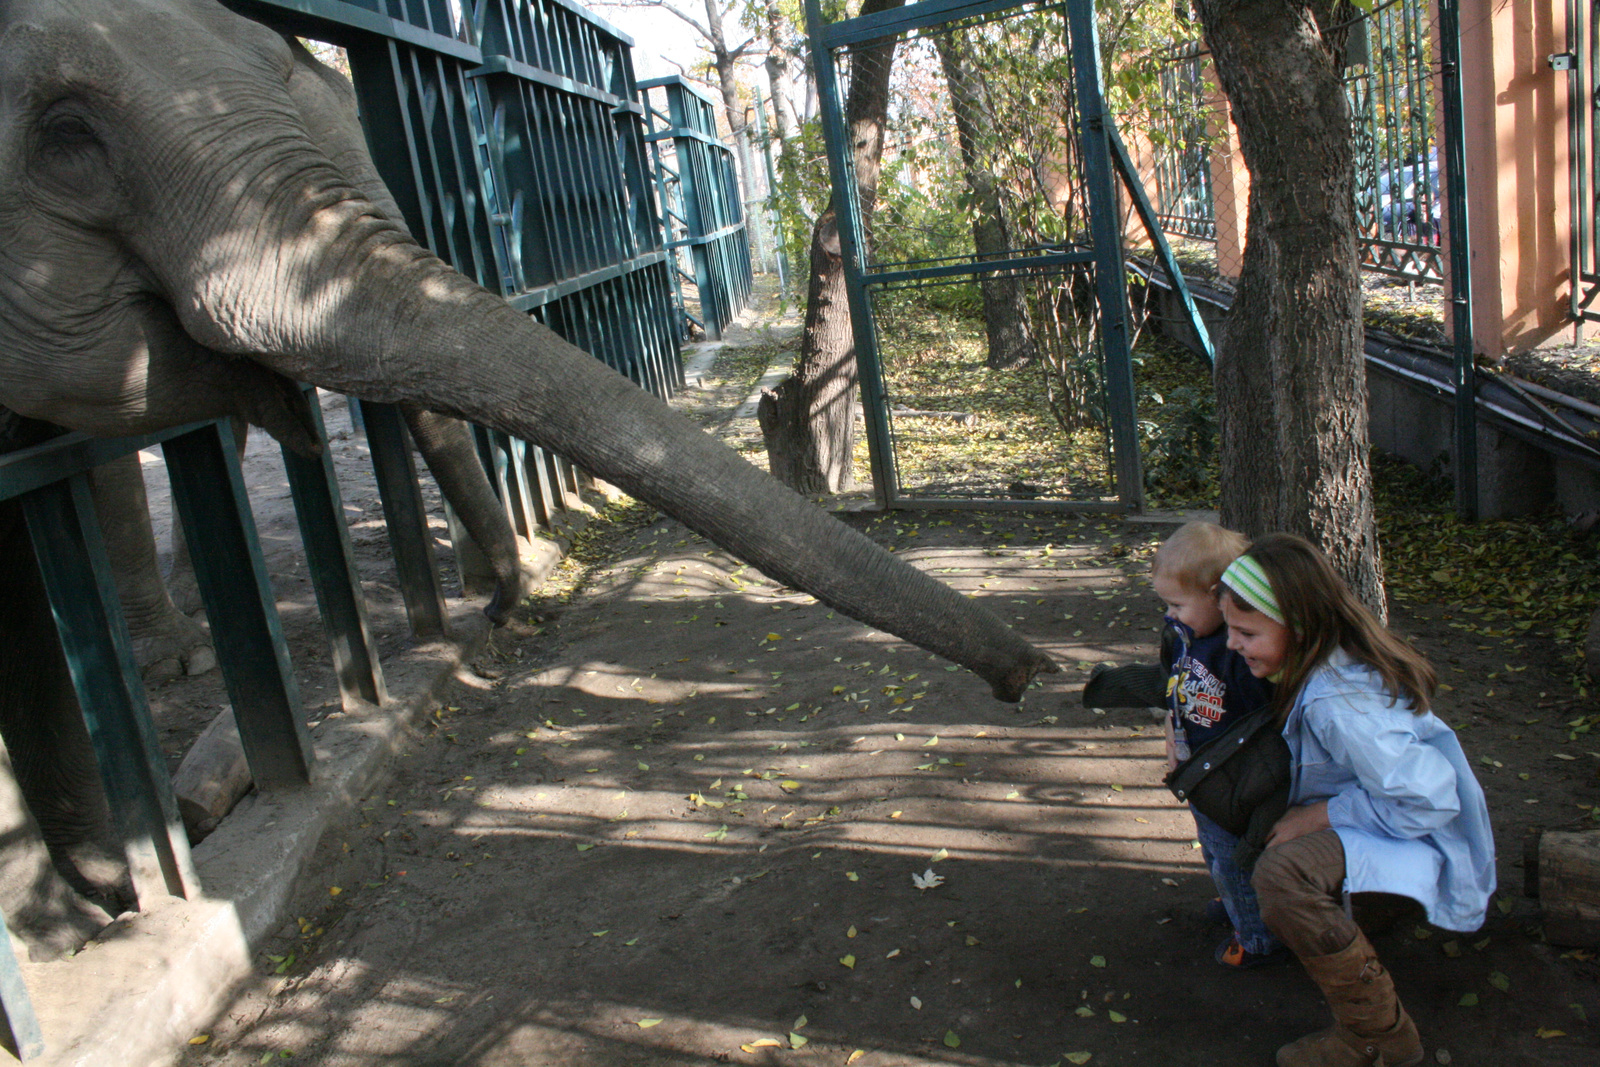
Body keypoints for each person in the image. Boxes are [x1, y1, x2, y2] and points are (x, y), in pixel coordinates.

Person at [1218, 534, 1495, 1067]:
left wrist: (1322, 815)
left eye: (1246, 632)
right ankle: (1369, 912)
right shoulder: (1313, 666)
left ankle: (1378, 1037)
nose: (1232, 644)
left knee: (1282, 875)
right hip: (1383, 814)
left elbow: (1431, 800)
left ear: (1297, 627)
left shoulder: (1338, 704)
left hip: (1421, 827)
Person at [1150, 522, 1283, 969]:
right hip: (1202, 772)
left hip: (1236, 780)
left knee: (1235, 859)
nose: (1170, 615)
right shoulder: (1189, 634)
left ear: (1215, 596)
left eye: (1177, 604)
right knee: (1214, 849)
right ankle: (1235, 906)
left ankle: (1256, 939)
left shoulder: (1237, 650)